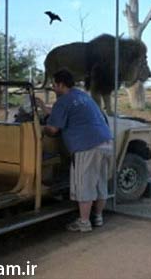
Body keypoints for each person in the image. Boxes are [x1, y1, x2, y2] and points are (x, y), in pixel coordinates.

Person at [36, 69, 113, 232]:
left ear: (61, 84)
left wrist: (41, 130)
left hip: (86, 145)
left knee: (84, 184)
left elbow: (54, 130)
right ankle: (98, 217)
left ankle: (84, 222)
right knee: (100, 182)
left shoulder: (62, 101)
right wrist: (43, 107)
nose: (53, 88)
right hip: (106, 142)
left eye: (54, 85)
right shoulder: (82, 96)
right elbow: (63, 112)